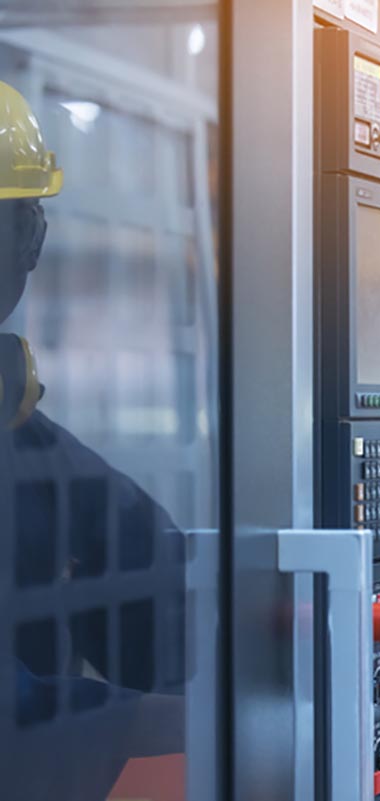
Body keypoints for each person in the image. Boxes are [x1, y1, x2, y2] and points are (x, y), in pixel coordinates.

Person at [0, 80, 185, 799]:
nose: (34, 240)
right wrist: (232, 724)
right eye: (21, 218)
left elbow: (165, 589)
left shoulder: (27, 445)